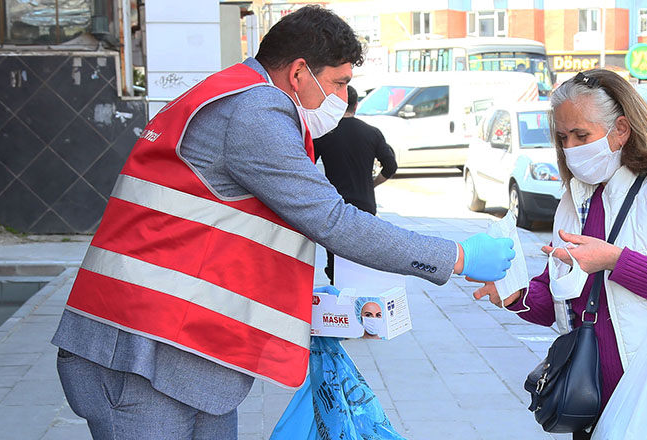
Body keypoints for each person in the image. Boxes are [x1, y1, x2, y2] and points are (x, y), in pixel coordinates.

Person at [51, 6, 514, 440]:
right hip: (137, 351)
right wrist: (455, 256)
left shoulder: (236, 96)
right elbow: (331, 219)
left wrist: (300, 293)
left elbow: (224, 225)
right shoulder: (255, 110)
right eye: (337, 83)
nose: (343, 98)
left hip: (182, 350)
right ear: (298, 73)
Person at [472, 69, 647, 439]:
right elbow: (564, 305)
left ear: (621, 129)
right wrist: (515, 296)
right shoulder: (577, 198)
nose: (571, 148)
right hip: (594, 408)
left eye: (581, 135)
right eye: (563, 137)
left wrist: (615, 261)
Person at [314, 85, 397, 282]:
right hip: (365, 204)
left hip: (335, 206)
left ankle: (338, 298)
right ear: (356, 105)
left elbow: (307, 165)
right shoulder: (372, 133)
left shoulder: (325, 133)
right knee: (362, 258)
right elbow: (391, 166)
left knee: (335, 261)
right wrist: (372, 184)